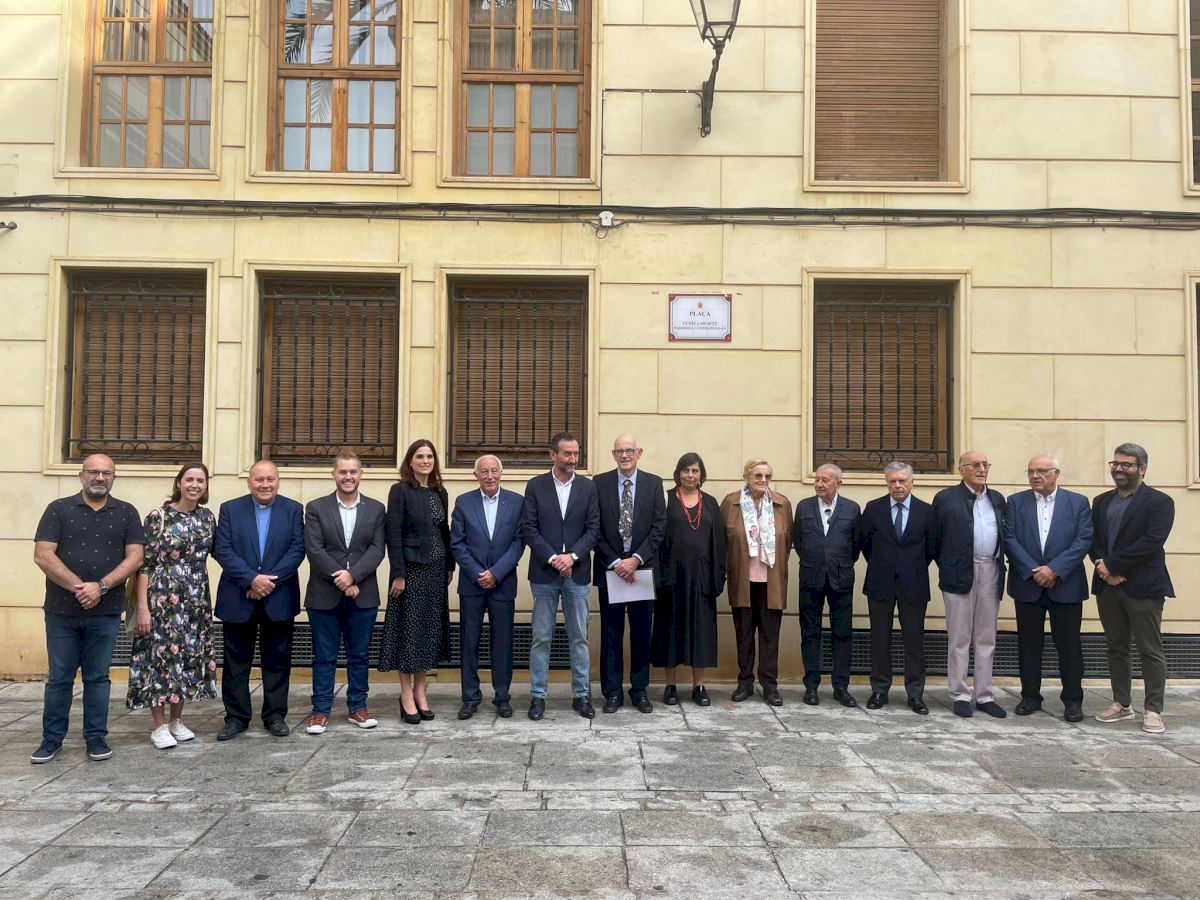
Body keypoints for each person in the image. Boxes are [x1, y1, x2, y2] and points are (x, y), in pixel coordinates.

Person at [32, 455, 146, 764]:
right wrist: (81, 588)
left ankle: (96, 737)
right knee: (59, 677)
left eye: (106, 473)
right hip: (61, 611)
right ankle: (51, 740)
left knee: (98, 677)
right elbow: (43, 555)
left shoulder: (126, 512)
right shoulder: (58, 509)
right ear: (81, 476)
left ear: (113, 478)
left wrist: (101, 586)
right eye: (94, 472)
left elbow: (136, 557)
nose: (100, 477)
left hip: (105, 612)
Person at [126, 462, 217, 749]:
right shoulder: (159, 517)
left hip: (195, 600)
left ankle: (177, 720)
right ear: (179, 483)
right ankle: (159, 725)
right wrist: (143, 608)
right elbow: (144, 565)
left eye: (200, 480)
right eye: (189, 479)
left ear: (205, 486)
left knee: (187, 657)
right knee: (159, 660)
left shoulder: (207, 518)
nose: (194, 485)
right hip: (162, 600)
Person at [212, 460, 305, 740]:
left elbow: (297, 550)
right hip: (238, 596)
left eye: (270, 479)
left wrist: (266, 583)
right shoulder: (230, 509)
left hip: (279, 597)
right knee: (235, 662)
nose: (265, 485)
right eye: (259, 479)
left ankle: (274, 716)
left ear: (278, 481)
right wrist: (252, 579)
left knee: (278, 661)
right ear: (249, 482)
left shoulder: (293, 509)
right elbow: (223, 549)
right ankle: (236, 718)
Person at [1090, 442, 1175, 734]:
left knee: (1149, 649)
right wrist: (1103, 566)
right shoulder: (1101, 501)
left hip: (1143, 586)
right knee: (1116, 647)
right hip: (1107, 585)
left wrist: (1114, 566)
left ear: (1142, 469)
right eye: (1115, 464)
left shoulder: (1160, 502)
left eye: (1126, 464)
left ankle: (1153, 710)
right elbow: (1093, 539)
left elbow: (1152, 541)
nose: (1119, 469)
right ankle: (1121, 704)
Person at [1003, 455, 1093, 722]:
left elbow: (1083, 539)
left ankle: (1073, 700)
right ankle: (1030, 696)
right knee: (1029, 645)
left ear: (1056, 473)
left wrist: (1054, 569)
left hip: (1066, 584)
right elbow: (1009, 538)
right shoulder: (1015, 502)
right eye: (1031, 471)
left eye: (1042, 471)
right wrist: (1035, 570)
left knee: (1069, 646)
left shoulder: (1078, 502)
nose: (1035, 476)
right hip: (1028, 584)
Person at [302, 452, 386, 735]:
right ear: (334, 475)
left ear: (361, 474)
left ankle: (358, 707)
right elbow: (314, 549)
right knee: (323, 656)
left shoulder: (376, 509)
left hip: (363, 594)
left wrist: (354, 575)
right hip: (323, 595)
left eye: (353, 472)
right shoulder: (316, 508)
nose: (348, 477)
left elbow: (377, 549)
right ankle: (320, 711)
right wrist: (343, 579)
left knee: (359, 655)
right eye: (342, 472)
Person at [522, 432, 600, 720]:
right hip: (544, 573)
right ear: (553, 455)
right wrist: (555, 558)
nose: (573, 459)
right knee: (541, 637)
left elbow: (594, 528)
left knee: (579, 637)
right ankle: (537, 696)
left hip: (577, 574)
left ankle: (581, 695)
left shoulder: (588, 487)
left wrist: (572, 557)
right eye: (567, 453)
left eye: (576, 453)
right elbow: (529, 528)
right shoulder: (536, 486)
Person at [380, 439, 455, 725]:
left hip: (436, 569)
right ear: (410, 461)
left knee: (427, 631)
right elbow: (393, 534)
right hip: (410, 571)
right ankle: (405, 694)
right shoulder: (400, 490)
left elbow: (444, 531)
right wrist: (398, 573)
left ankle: (421, 691)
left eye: (429, 456)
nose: (425, 461)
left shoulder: (440, 492)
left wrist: (450, 566)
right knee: (408, 632)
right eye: (420, 456)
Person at [593, 434, 666, 715]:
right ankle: (612, 692)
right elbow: (594, 527)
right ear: (614, 455)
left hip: (641, 570)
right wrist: (616, 561)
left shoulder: (653, 483)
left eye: (630, 450)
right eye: (619, 451)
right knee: (611, 634)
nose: (625, 455)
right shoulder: (599, 483)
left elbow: (659, 527)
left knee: (641, 633)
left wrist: (635, 560)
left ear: (639, 453)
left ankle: (639, 690)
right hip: (610, 570)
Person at [931, 451, 1008, 718]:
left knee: (986, 637)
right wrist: (949, 565)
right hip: (958, 571)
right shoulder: (945, 498)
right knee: (959, 637)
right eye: (975, 465)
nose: (982, 469)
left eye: (985, 464)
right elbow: (934, 539)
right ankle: (960, 694)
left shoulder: (997, 498)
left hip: (991, 568)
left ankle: (985, 695)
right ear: (961, 469)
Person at [450, 454, 526, 720]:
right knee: (469, 643)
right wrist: (477, 573)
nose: (490, 476)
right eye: (484, 471)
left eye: (494, 471)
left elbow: (519, 542)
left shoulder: (517, 502)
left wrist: (496, 573)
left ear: (501, 474)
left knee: (502, 643)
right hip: (472, 585)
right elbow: (457, 543)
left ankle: (502, 697)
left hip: (503, 584)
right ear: (476, 475)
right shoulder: (463, 502)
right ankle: (470, 698)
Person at [858, 461, 936, 715]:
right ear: (886, 483)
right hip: (880, 582)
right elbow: (865, 543)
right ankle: (880, 690)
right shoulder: (873, 509)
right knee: (880, 639)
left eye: (902, 481)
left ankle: (915, 694)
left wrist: (909, 566)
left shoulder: (926, 511)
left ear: (911, 482)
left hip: (914, 583)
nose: (897, 485)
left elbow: (932, 547)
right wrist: (885, 564)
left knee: (914, 641)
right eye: (892, 481)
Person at [651, 452, 726, 706]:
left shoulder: (711, 503)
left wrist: (719, 576)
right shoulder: (665, 499)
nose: (690, 475)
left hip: (702, 578)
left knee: (701, 631)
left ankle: (699, 686)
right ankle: (670, 685)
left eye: (695, 470)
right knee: (669, 629)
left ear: (701, 474)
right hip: (671, 577)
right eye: (686, 470)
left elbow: (720, 543)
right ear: (678, 473)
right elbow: (656, 538)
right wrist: (657, 577)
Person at [721, 458, 792, 706]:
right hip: (743, 579)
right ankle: (745, 682)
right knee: (744, 635)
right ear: (746, 477)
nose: (763, 480)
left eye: (767, 476)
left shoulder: (782, 504)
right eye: (758, 475)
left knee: (770, 636)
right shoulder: (731, 502)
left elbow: (787, 543)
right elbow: (723, 542)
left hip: (771, 582)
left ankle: (770, 685)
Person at [792, 463, 860, 707]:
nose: (819, 484)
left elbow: (855, 545)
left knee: (842, 634)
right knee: (810, 633)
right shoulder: (804, 507)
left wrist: (836, 561)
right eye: (817, 479)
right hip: (811, 577)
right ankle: (811, 685)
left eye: (825, 480)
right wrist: (816, 559)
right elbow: (798, 540)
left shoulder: (852, 508)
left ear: (838, 484)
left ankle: (840, 687)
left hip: (841, 579)